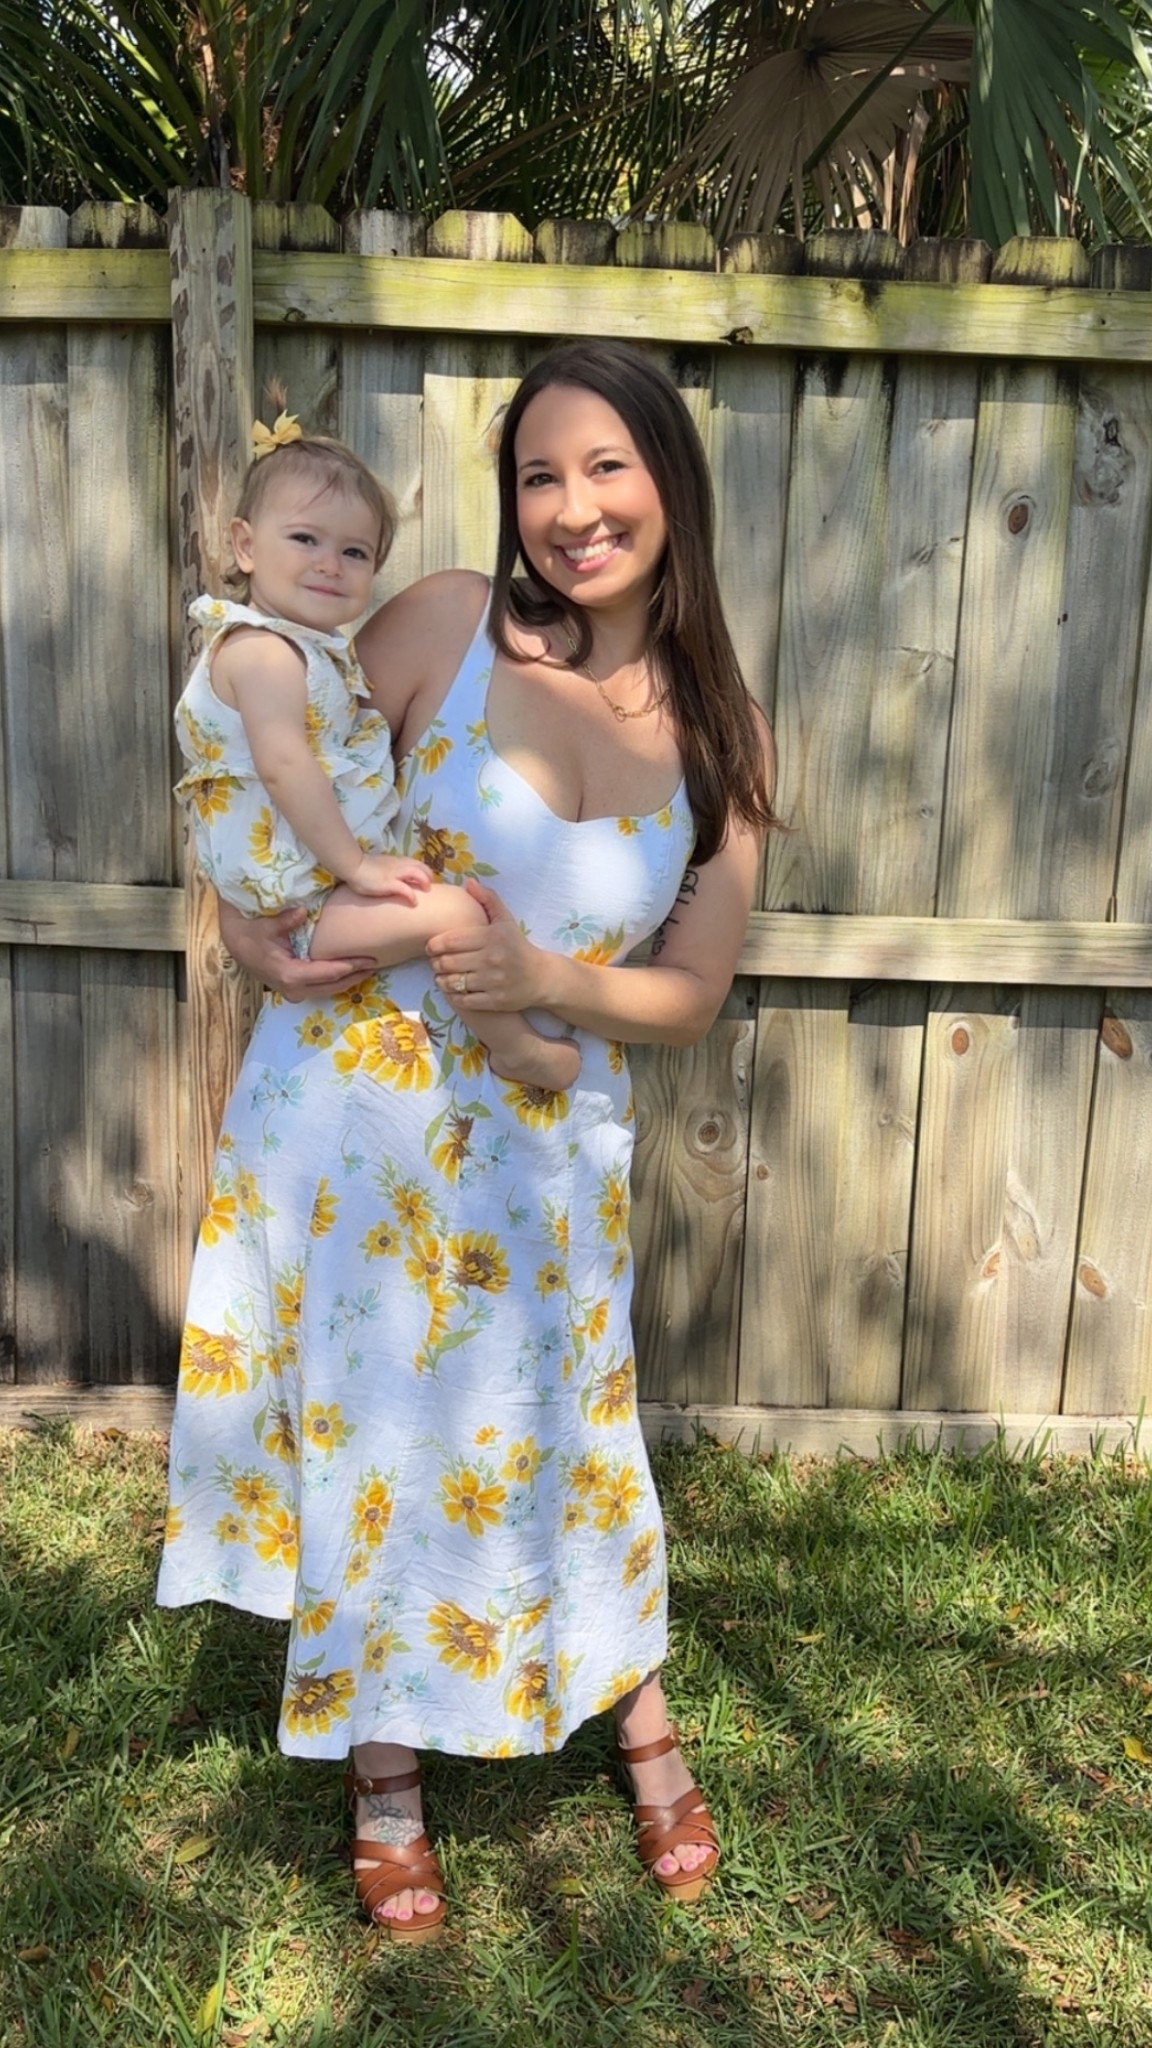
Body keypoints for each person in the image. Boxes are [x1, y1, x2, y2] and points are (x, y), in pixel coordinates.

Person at [157, 339, 776, 1944]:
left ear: (671, 484)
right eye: (538, 476)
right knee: (378, 1440)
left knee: (573, 1427)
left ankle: (636, 1710)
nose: (571, 511)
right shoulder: (439, 620)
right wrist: (238, 917)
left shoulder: (725, 737)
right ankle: (384, 1771)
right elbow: (265, 749)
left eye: (606, 469)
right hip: (356, 1119)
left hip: (548, 1143)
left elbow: (694, 992)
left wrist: (547, 984)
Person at [173, 405, 579, 1089]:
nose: (330, 564)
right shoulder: (263, 655)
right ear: (244, 545)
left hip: (306, 899)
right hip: (301, 908)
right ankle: (516, 1049)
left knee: (450, 911)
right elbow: (282, 766)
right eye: (304, 539)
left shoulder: (312, 655)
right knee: (453, 912)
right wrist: (357, 865)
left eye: (355, 552)